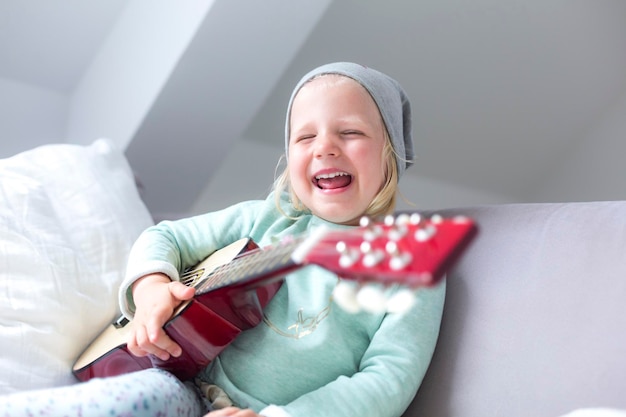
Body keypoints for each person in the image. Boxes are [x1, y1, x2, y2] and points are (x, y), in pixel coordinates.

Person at [0, 62, 445, 417]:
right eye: (304, 136)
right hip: (177, 383)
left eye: (350, 132)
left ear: (392, 153)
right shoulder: (270, 218)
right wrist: (151, 286)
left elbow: (388, 378)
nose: (324, 147)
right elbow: (166, 236)